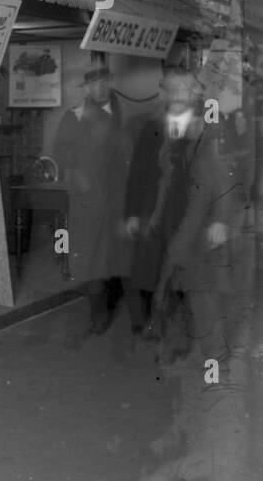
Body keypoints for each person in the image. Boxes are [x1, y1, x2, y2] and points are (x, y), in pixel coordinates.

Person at [122, 68, 232, 366]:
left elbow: (222, 179)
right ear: (165, 92)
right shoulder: (150, 129)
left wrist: (220, 219)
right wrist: (132, 214)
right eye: (174, 88)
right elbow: (138, 175)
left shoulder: (210, 127)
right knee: (157, 278)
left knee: (192, 284)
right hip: (154, 218)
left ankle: (196, 347)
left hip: (192, 219)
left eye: (186, 88)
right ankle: (163, 338)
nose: (180, 95)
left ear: (195, 93)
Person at [51, 65, 131, 344]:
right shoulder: (72, 118)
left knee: (115, 254)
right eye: (94, 84)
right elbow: (59, 153)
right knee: (90, 256)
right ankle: (98, 314)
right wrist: (75, 174)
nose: (99, 88)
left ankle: (116, 301)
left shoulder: (116, 114)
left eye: (104, 82)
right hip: (86, 201)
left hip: (115, 199)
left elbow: (125, 156)